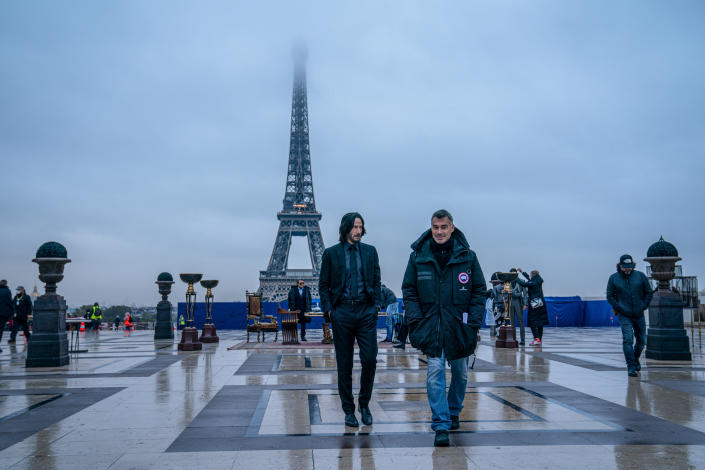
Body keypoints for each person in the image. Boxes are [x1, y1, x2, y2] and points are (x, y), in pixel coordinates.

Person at [402, 209, 486, 447]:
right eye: (435, 228)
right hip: (431, 325)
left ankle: (453, 410)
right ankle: (440, 423)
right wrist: (416, 320)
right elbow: (409, 290)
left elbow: (479, 290)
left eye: (443, 227)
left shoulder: (468, 257)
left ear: (452, 228)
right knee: (435, 373)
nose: (439, 232)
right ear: (431, 228)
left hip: (459, 326)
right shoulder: (418, 256)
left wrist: (474, 322)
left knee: (460, 373)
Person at [319, 212, 381, 428]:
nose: (358, 231)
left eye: (361, 226)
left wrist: (375, 307)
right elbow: (323, 285)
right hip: (342, 312)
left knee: (370, 359)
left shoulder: (370, 252)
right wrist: (329, 311)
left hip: (365, 311)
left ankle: (364, 403)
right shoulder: (331, 254)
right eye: (354, 226)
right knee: (344, 365)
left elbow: (376, 279)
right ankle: (348, 410)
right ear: (346, 228)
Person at [606, 254, 654, 377]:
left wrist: (643, 305)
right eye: (625, 267)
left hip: (639, 314)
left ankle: (635, 358)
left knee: (642, 341)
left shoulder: (640, 276)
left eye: (630, 266)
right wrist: (619, 307)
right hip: (624, 314)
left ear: (633, 265)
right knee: (627, 340)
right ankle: (631, 366)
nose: (628, 269)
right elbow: (610, 296)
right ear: (620, 266)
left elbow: (649, 292)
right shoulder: (614, 278)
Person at [516, 268, 548, 345]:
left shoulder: (534, 282)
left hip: (535, 304)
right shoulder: (537, 280)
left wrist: (515, 277)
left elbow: (524, 284)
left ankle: (536, 339)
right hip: (541, 304)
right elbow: (529, 279)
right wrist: (522, 272)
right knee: (540, 323)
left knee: (533, 322)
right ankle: (539, 340)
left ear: (532, 275)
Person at [509, 268, 526, 345]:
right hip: (510, 301)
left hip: (518, 302)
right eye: (511, 274)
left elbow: (525, 294)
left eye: (514, 273)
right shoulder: (508, 282)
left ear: (516, 274)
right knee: (511, 322)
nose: (512, 275)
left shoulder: (522, 281)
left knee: (521, 321)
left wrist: (525, 304)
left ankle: (522, 339)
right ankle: (513, 338)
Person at [0, 280, 13, 352]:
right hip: (2, 314)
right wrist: (12, 312)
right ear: (6, 284)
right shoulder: (7, 291)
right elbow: (9, 302)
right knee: (0, 330)